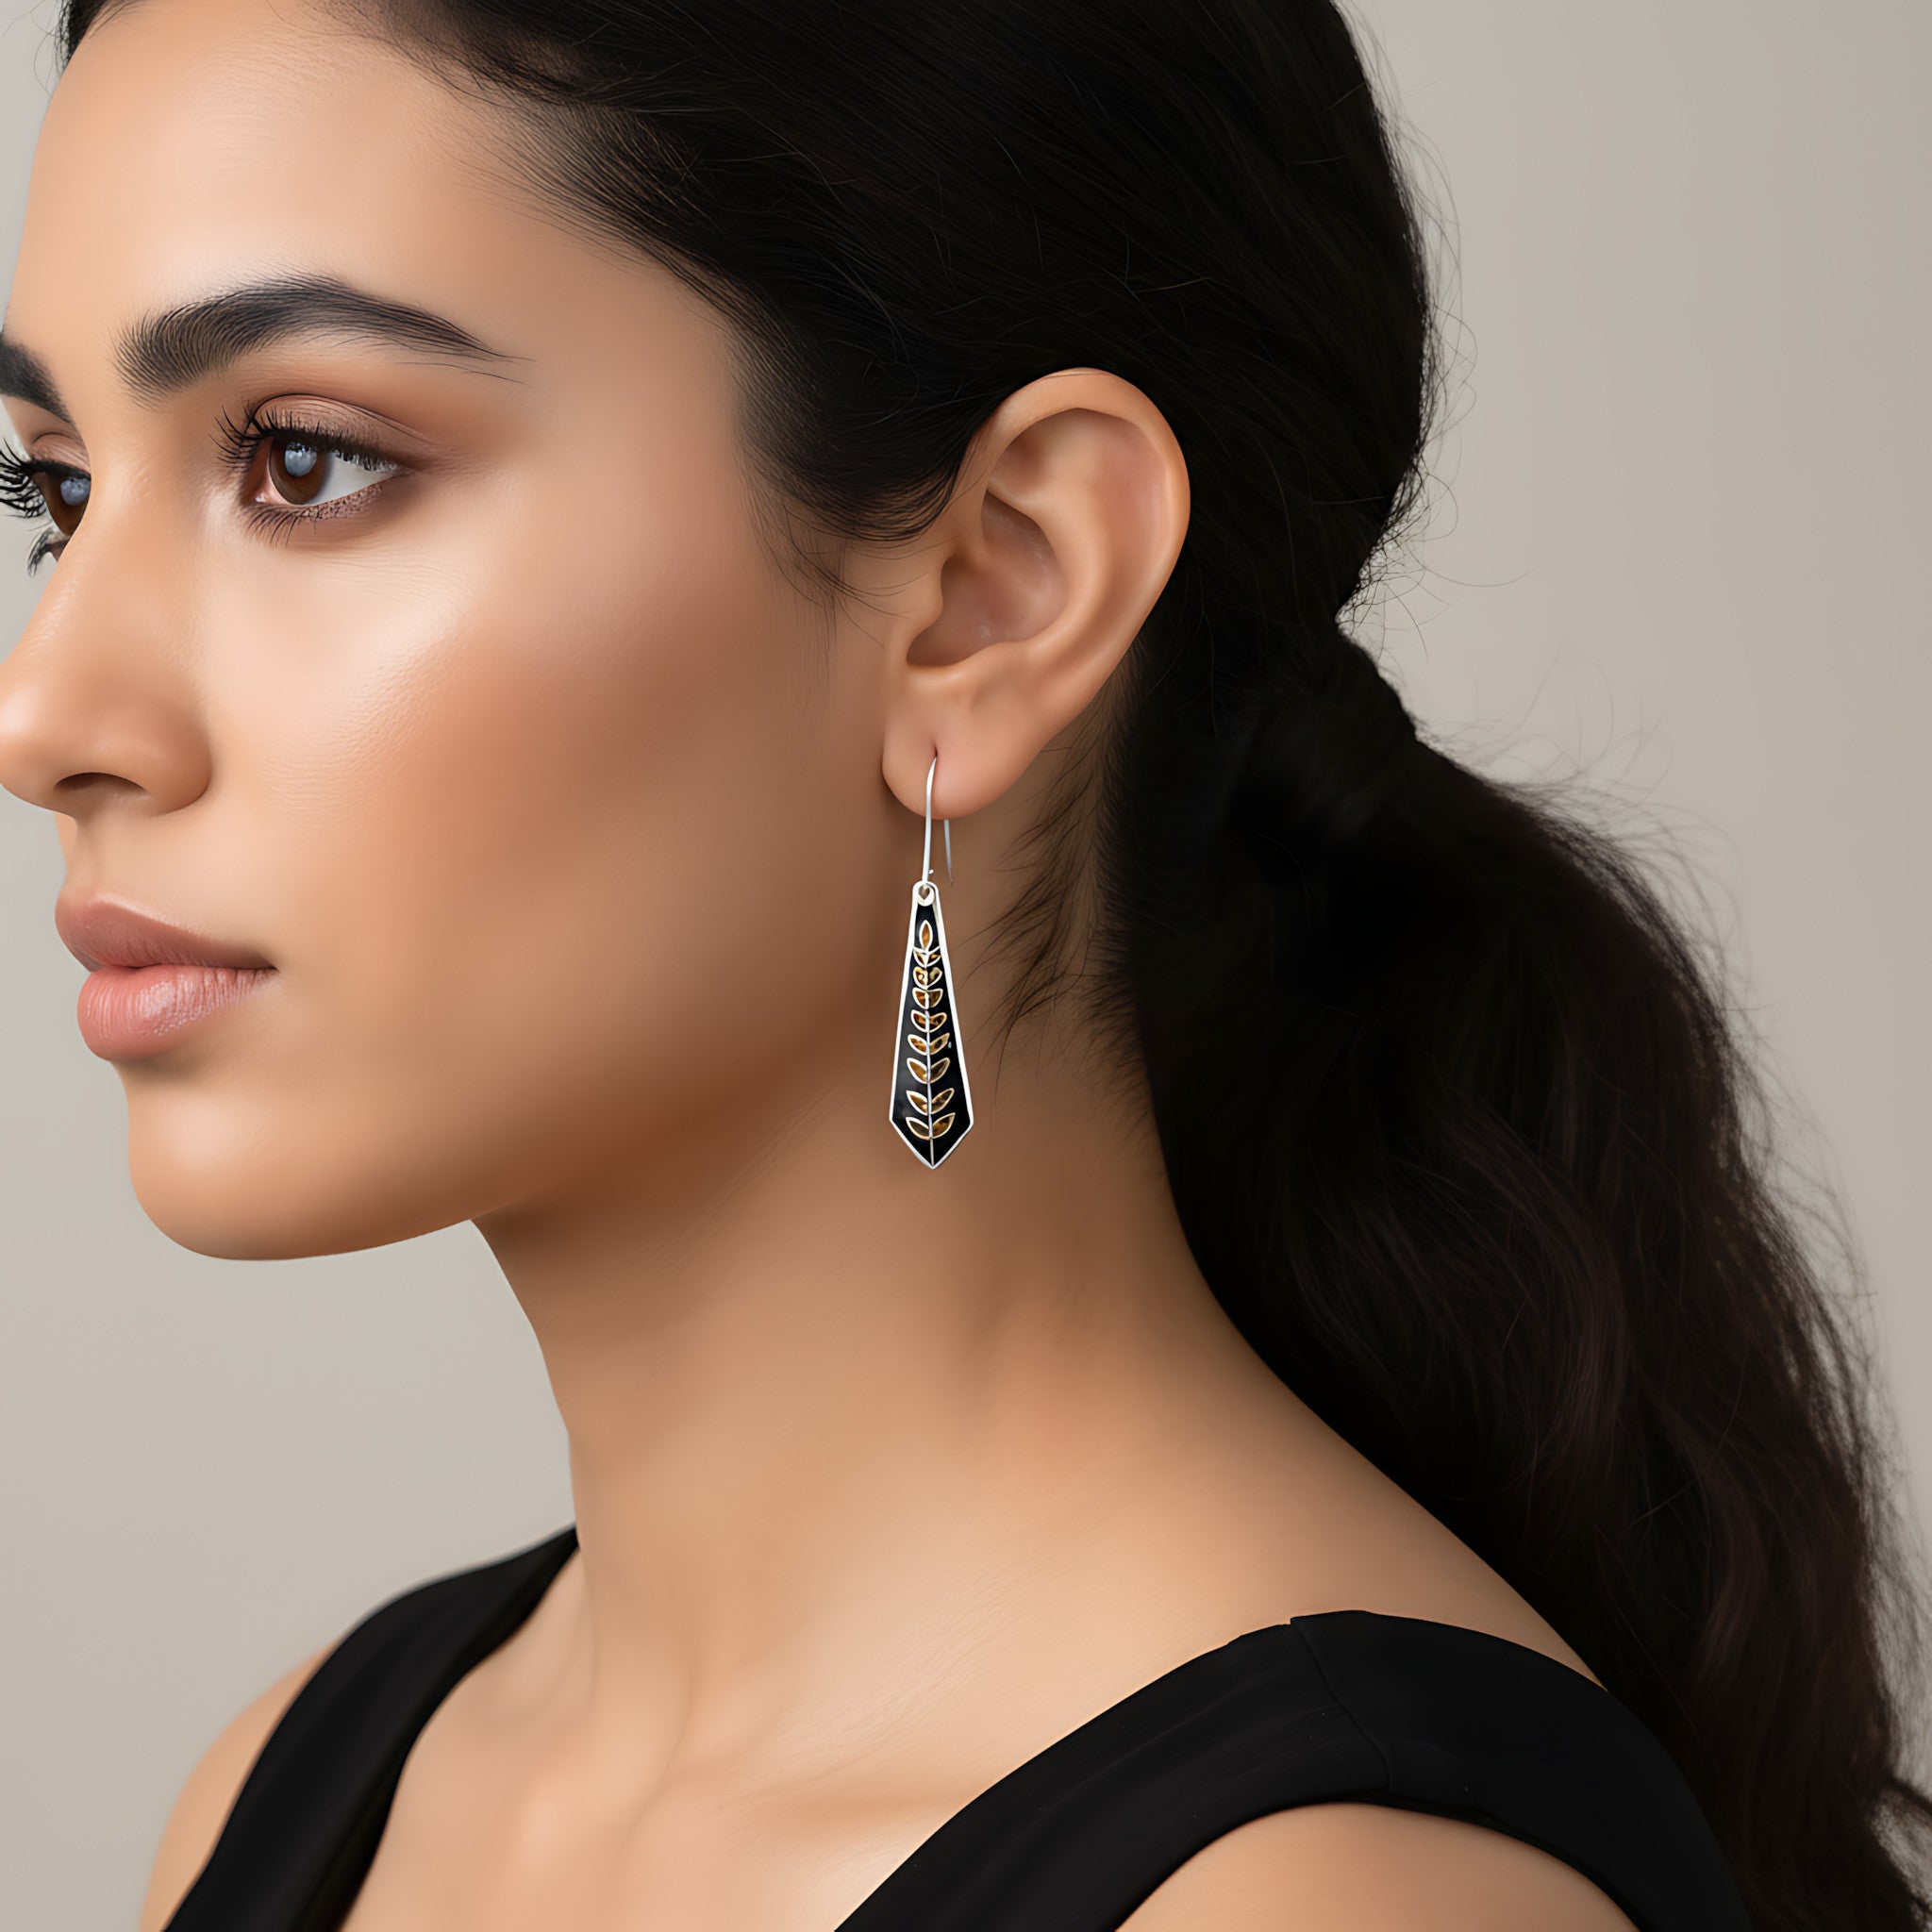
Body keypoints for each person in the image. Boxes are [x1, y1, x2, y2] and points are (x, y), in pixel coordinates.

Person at [0, 0, 1924, 1926]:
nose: (50, 711)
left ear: (1000, 582)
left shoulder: (1326, 1899)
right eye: (54, 495)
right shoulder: (299, 1790)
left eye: (306, 461)